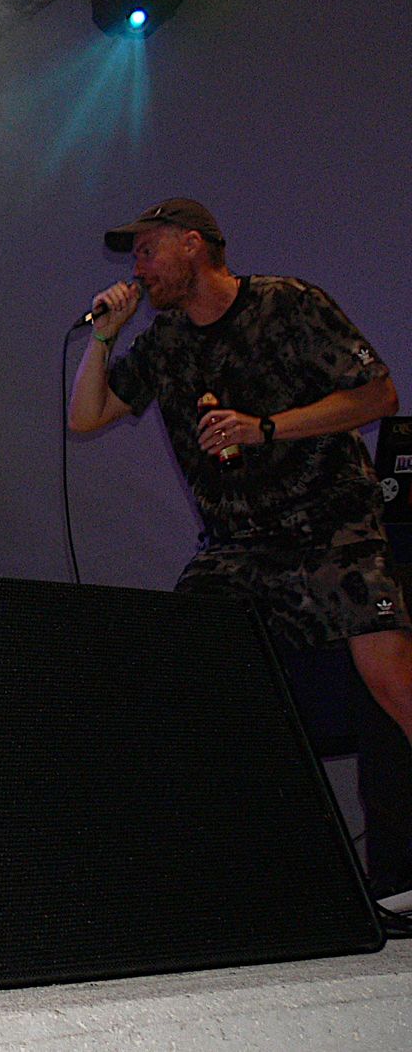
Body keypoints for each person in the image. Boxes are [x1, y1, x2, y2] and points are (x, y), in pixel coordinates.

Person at [69, 197, 411, 756]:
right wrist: (103, 338)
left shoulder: (286, 304)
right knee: (179, 670)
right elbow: (86, 417)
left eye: (148, 251)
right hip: (238, 546)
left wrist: (265, 429)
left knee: (390, 676)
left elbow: (379, 395)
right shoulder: (166, 340)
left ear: (192, 244)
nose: (138, 269)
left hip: (330, 524)